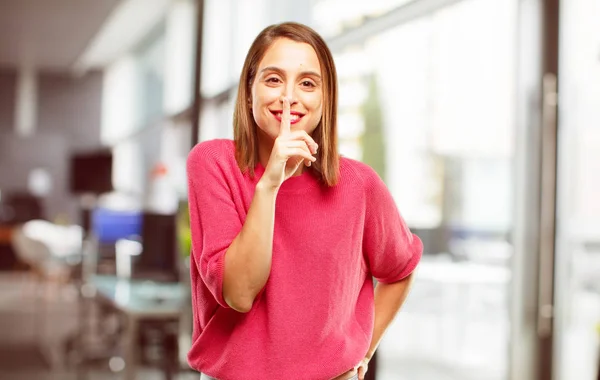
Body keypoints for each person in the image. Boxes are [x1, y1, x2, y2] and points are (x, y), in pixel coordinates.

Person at [186, 22, 423, 380]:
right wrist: (269, 185)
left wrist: (364, 349)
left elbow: (401, 270)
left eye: (308, 83)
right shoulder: (213, 163)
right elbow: (239, 292)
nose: (289, 97)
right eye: (273, 79)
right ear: (249, 90)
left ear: (325, 99)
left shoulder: (359, 184)